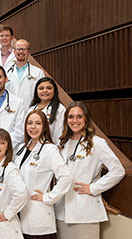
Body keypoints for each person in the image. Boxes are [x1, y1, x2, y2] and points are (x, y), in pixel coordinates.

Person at [55, 101, 125, 239]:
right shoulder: (62, 143)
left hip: (85, 211)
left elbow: (118, 170)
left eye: (79, 116)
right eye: (71, 117)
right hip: (61, 211)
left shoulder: (96, 143)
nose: (75, 121)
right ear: (66, 120)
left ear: (86, 119)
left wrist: (93, 188)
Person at [14, 110, 72, 239]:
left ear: (44, 127)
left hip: (38, 216)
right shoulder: (21, 149)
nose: (33, 127)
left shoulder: (49, 149)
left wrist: (48, 197)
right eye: (30, 123)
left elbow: (66, 177)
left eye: (38, 123)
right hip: (19, 214)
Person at [6, 39, 45, 109]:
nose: (21, 51)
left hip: (30, 112)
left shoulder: (38, 73)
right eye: (18, 49)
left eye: (24, 49)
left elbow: (42, 96)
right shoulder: (6, 72)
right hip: (10, 112)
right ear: (14, 51)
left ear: (29, 52)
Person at [27, 77, 65, 144]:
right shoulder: (31, 109)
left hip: (51, 148)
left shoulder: (60, 109)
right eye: (41, 88)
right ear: (36, 91)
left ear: (54, 91)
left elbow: (59, 134)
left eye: (49, 88)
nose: (45, 91)